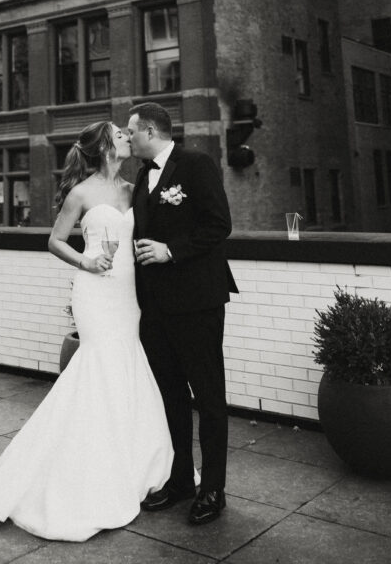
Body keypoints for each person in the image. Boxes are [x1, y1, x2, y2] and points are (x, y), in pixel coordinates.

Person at [0, 121, 175, 541]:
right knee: (98, 368)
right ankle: (85, 473)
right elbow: (55, 241)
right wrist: (85, 262)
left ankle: (134, 464)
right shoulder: (81, 192)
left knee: (126, 365)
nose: (129, 137)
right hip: (95, 291)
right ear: (106, 146)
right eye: (121, 134)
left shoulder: (134, 188)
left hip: (128, 295)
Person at [127, 102, 238, 526]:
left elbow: (218, 224)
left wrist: (170, 251)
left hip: (197, 303)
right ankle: (180, 482)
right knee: (170, 397)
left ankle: (213, 488)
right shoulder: (141, 176)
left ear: (151, 130)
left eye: (132, 131)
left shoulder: (196, 164)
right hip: (154, 308)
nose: (128, 137)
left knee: (208, 397)